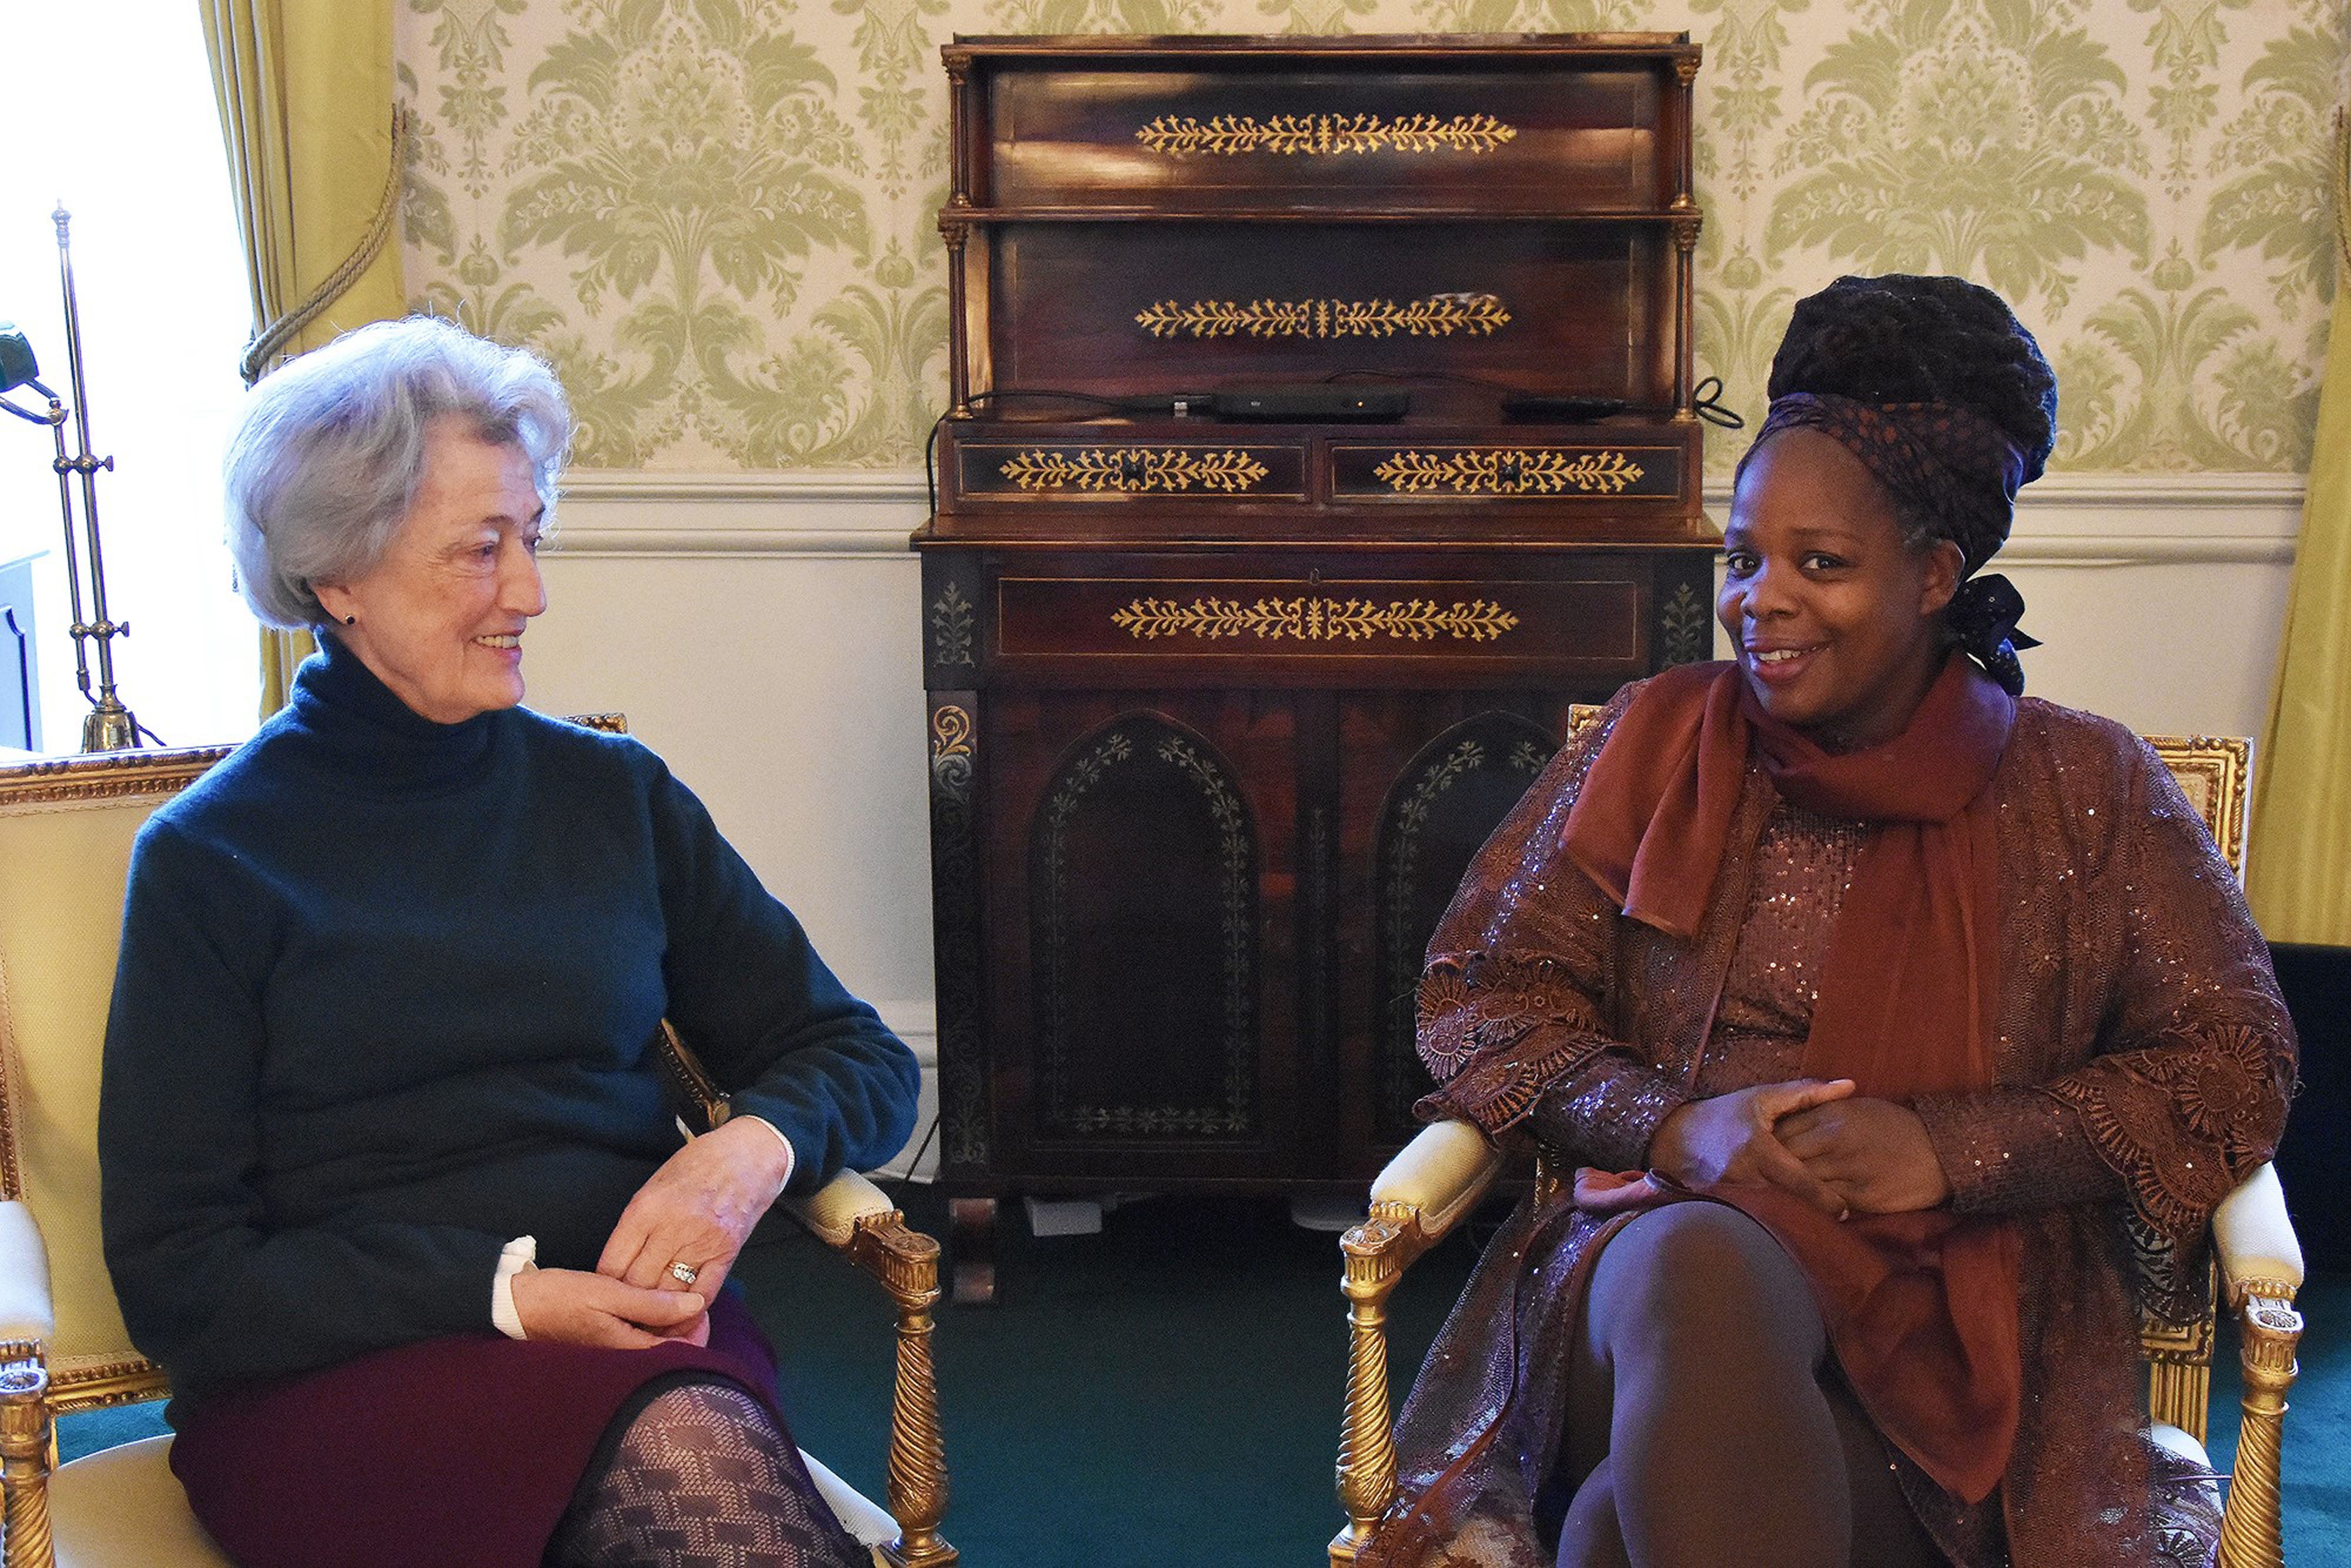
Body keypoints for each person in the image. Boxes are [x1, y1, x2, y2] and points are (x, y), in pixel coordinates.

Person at [1361, 275, 2295, 1568]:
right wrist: (1674, 1125)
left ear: (1931, 575)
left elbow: (2230, 1064)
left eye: (1820, 563)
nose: (1761, 600)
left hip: (1953, 1342)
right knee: (1699, 1265)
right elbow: (1483, 993)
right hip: (1648, 1277)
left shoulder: (2085, 790)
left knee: (1614, 1530)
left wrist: (1946, 1148)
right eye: (1742, 558)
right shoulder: (1650, 739)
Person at [98, 316, 919, 1568]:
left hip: (636, 1343)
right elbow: (181, 1276)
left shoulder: (614, 797)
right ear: (339, 576)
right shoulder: (216, 860)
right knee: (699, 1471)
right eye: (479, 549)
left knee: (687, 1442)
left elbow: (854, 1052)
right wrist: (502, 1296)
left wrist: (748, 1149)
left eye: (530, 536)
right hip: (337, 1384)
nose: (529, 590)